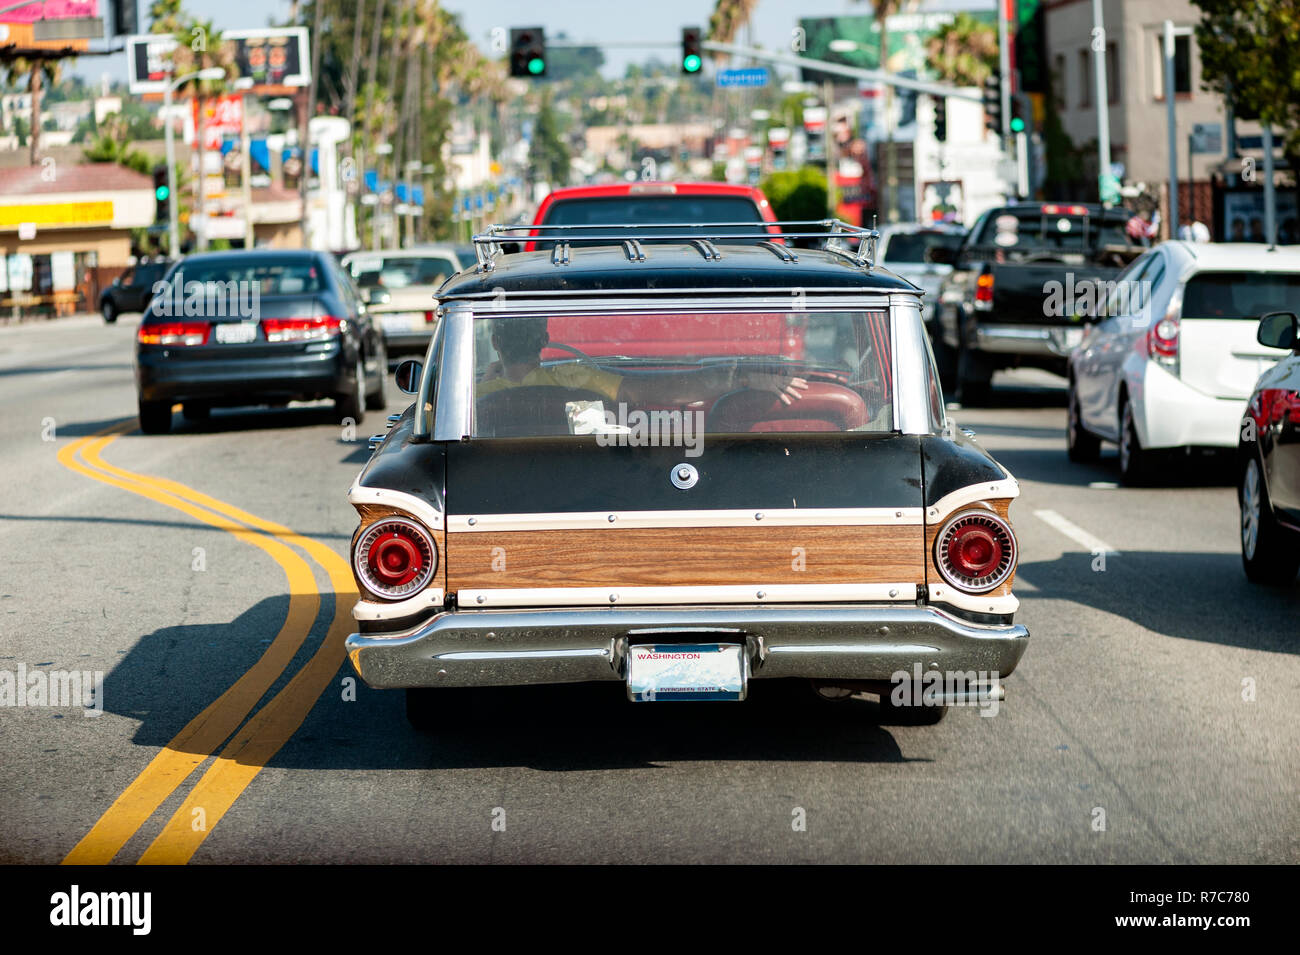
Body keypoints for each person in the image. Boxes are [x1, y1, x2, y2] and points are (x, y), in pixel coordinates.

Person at [478, 319, 809, 407]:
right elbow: (662, 390)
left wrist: (485, 381)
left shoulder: (474, 397)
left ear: (495, 343)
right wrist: (742, 378)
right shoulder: (575, 376)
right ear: (545, 340)